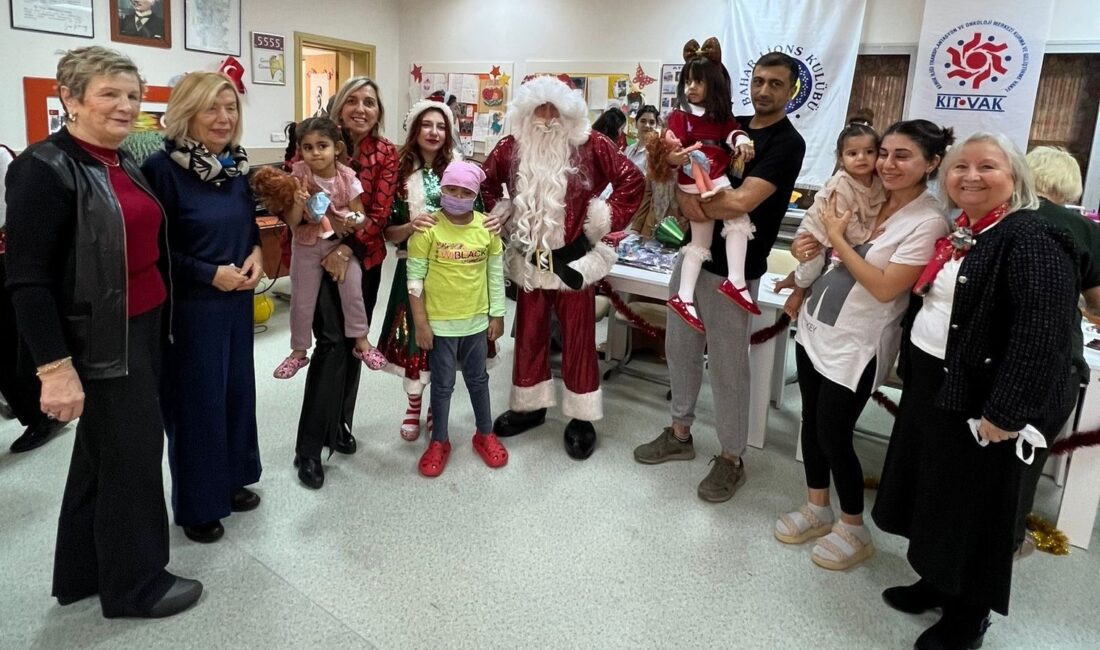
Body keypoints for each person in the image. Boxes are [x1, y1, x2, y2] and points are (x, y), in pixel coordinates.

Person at [5, 46, 201, 618]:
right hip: (101, 341)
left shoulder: (118, 160)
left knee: (101, 456)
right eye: (109, 94)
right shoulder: (43, 168)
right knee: (135, 458)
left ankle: (83, 572)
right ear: (70, 98)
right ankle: (136, 586)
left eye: (133, 95)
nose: (125, 106)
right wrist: (53, 367)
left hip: (142, 327)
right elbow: (27, 281)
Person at [872, 132, 1080, 649]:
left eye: (986, 166)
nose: (969, 176)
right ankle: (935, 581)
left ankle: (968, 616)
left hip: (987, 398)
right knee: (936, 491)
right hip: (938, 381)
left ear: (1015, 177)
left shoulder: (1031, 236)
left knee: (977, 507)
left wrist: (1006, 411)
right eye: (960, 166)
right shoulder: (968, 230)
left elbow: (1041, 333)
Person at [773, 120, 950, 571]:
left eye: (902, 156)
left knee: (834, 433)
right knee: (811, 424)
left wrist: (833, 237)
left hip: (857, 346)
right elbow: (824, 249)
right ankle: (818, 507)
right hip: (815, 328)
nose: (887, 164)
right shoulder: (867, 194)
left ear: (931, 163)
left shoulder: (927, 221)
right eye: (884, 153)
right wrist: (807, 251)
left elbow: (886, 287)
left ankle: (853, 526)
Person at [632, 52, 805, 504]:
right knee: (680, 351)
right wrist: (690, 200)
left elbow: (739, 202)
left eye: (776, 84)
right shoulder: (730, 122)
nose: (764, 90)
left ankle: (731, 458)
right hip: (693, 259)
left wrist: (693, 205)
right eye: (759, 81)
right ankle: (680, 432)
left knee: (730, 368)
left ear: (791, 91)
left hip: (737, 273)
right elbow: (680, 175)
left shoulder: (787, 143)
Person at [481, 74, 644, 460]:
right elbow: (484, 183)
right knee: (531, 335)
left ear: (568, 111)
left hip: (574, 263)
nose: (547, 117)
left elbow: (632, 182)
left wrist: (602, 218)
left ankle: (581, 417)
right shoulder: (509, 148)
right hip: (529, 262)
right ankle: (530, 406)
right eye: (540, 108)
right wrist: (501, 211)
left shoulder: (591, 145)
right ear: (527, 110)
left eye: (555, 108)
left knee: (578, 340)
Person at [143, 71, 263, 544]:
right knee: (197, 404)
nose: (223, 117)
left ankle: (232, 480)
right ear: (186, 111)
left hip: (236, 303)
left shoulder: (236, 169)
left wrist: (256, 255)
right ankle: (199, 502)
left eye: (230, 107)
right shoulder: (162, 169)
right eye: (211, 107)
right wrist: (207, 272)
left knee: (236, 394)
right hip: (192, 308)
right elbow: (154, 249)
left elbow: (252, 226)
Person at [292, 76, 398, 488]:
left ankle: (340, 423)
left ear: (378, 111)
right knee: (332, 343)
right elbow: (292, 195)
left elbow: (380, 210)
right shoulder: (311, 137)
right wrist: (326, 247)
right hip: (315, 258)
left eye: (369, 101)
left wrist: (347, 249)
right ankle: (308, 447)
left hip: (362, 258)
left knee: (356, 342)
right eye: (352, 100)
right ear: (338, 107)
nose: (360, 108)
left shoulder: (387, 153)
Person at [1013, 145, 1100, 558]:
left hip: (997, 362)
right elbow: (1098, 300)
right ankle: (1009, 539)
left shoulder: (1006, 218)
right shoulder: (1082, 228)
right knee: (1023, 466)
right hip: (1053, 364)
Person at [408, 160, 508, 477]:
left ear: (475, 195)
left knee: (478, 381)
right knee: (442, 385)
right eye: (451, 189)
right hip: (440, 326)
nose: (457, 195)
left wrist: (498, 314)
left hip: (477, 323)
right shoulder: (427, 230)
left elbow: (495, 275)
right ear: (442, 189)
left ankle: (485, 433)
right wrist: (421, 323)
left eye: (465, 191)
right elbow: (414, 280)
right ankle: (439, 440)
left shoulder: (486, 229)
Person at [271, 117, 385, 380]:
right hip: (307, 244)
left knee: (353, 289)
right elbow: (292, 221)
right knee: (302, 299)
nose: (315, 153)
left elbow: (361, 216)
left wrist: (351, 220)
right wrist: (298, 202)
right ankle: (298, 352)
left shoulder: (347, 178)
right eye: (308, 147)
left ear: (337, 148)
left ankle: (362, 342)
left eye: (322, 146)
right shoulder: (297, 176)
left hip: (338, 245)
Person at [662, 38, 757, 328]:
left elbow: (733, 133)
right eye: (688, 82)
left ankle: (684, 297)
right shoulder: (679, 116)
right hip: (701, 176)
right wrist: (675, 157)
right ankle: (737, 280)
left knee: (700, 242)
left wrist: (741, 141)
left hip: (706, 178)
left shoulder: (720, 116)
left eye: (698, 82)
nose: (691, 88)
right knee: (738, 219)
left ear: (713, 84)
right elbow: (669, 149)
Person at [378, 99, 457, 441]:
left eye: (441, 126)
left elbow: (478, 218)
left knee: (442, 341)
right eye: (427, 124)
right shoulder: (397, 174)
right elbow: (388, 233)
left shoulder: (458, 170)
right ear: (414, 129)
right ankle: (413, 404)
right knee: (414, 340)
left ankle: (434, 407)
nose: (434, 132)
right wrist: (411, 226)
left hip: (451, 272)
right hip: (411, 270)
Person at [777, 119, 886, 319]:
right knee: (813, 264)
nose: (862, 158)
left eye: (869, 152)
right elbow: (846, 221)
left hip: (837, 235)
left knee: (823, 268)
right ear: (841, 159)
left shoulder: (878, 181)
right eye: (853, 153)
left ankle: (795, 277)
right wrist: (868, 234)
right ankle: (798, 291)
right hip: (815, 232)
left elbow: (875, 207)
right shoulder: (841, 185)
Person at [2, 143, 67, 453]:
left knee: (12, 346)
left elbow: (9, 218)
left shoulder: (6, 157)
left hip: (7, 262)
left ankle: (39, 416)